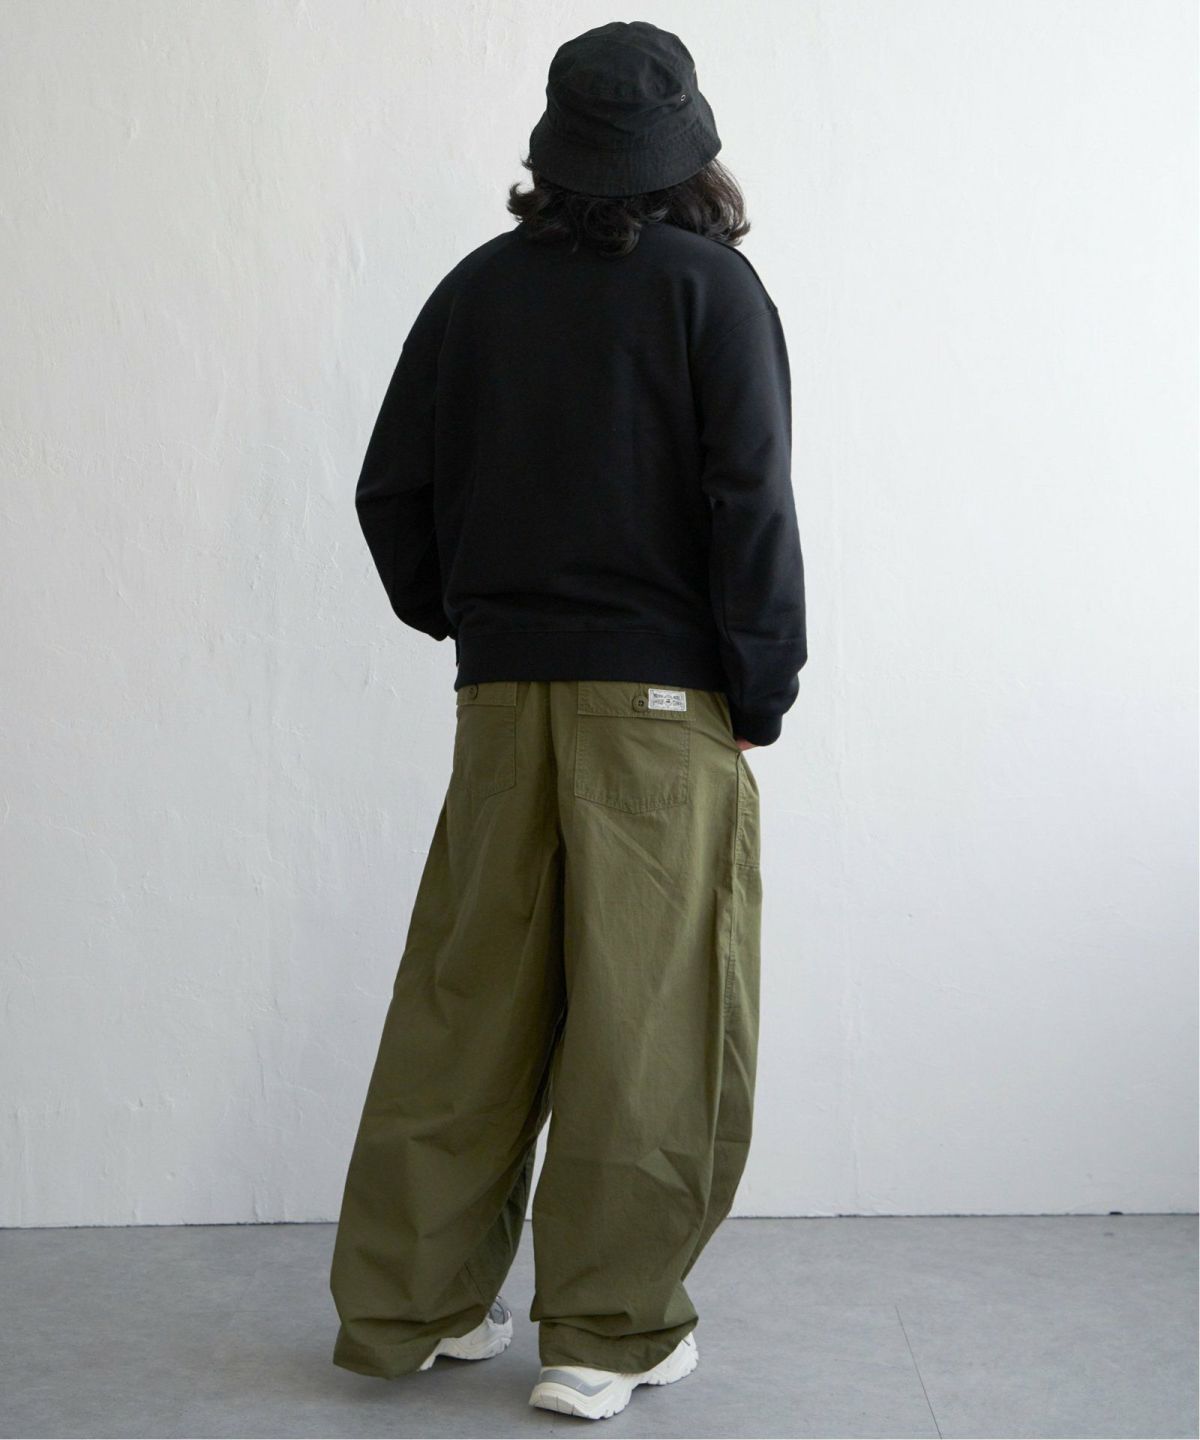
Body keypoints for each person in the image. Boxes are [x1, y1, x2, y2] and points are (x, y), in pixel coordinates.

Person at [328, 18, 807, 1423]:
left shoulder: (476, 291)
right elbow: (750, 505)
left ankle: (410, 1308)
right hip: (660, 712)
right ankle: (606, 1333)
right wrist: (758, 689)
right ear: (690, 153)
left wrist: (482, 629)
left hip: (500, 704)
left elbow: (390, 492)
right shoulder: (713, 291)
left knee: (464, 1011)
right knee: (648, 1027)